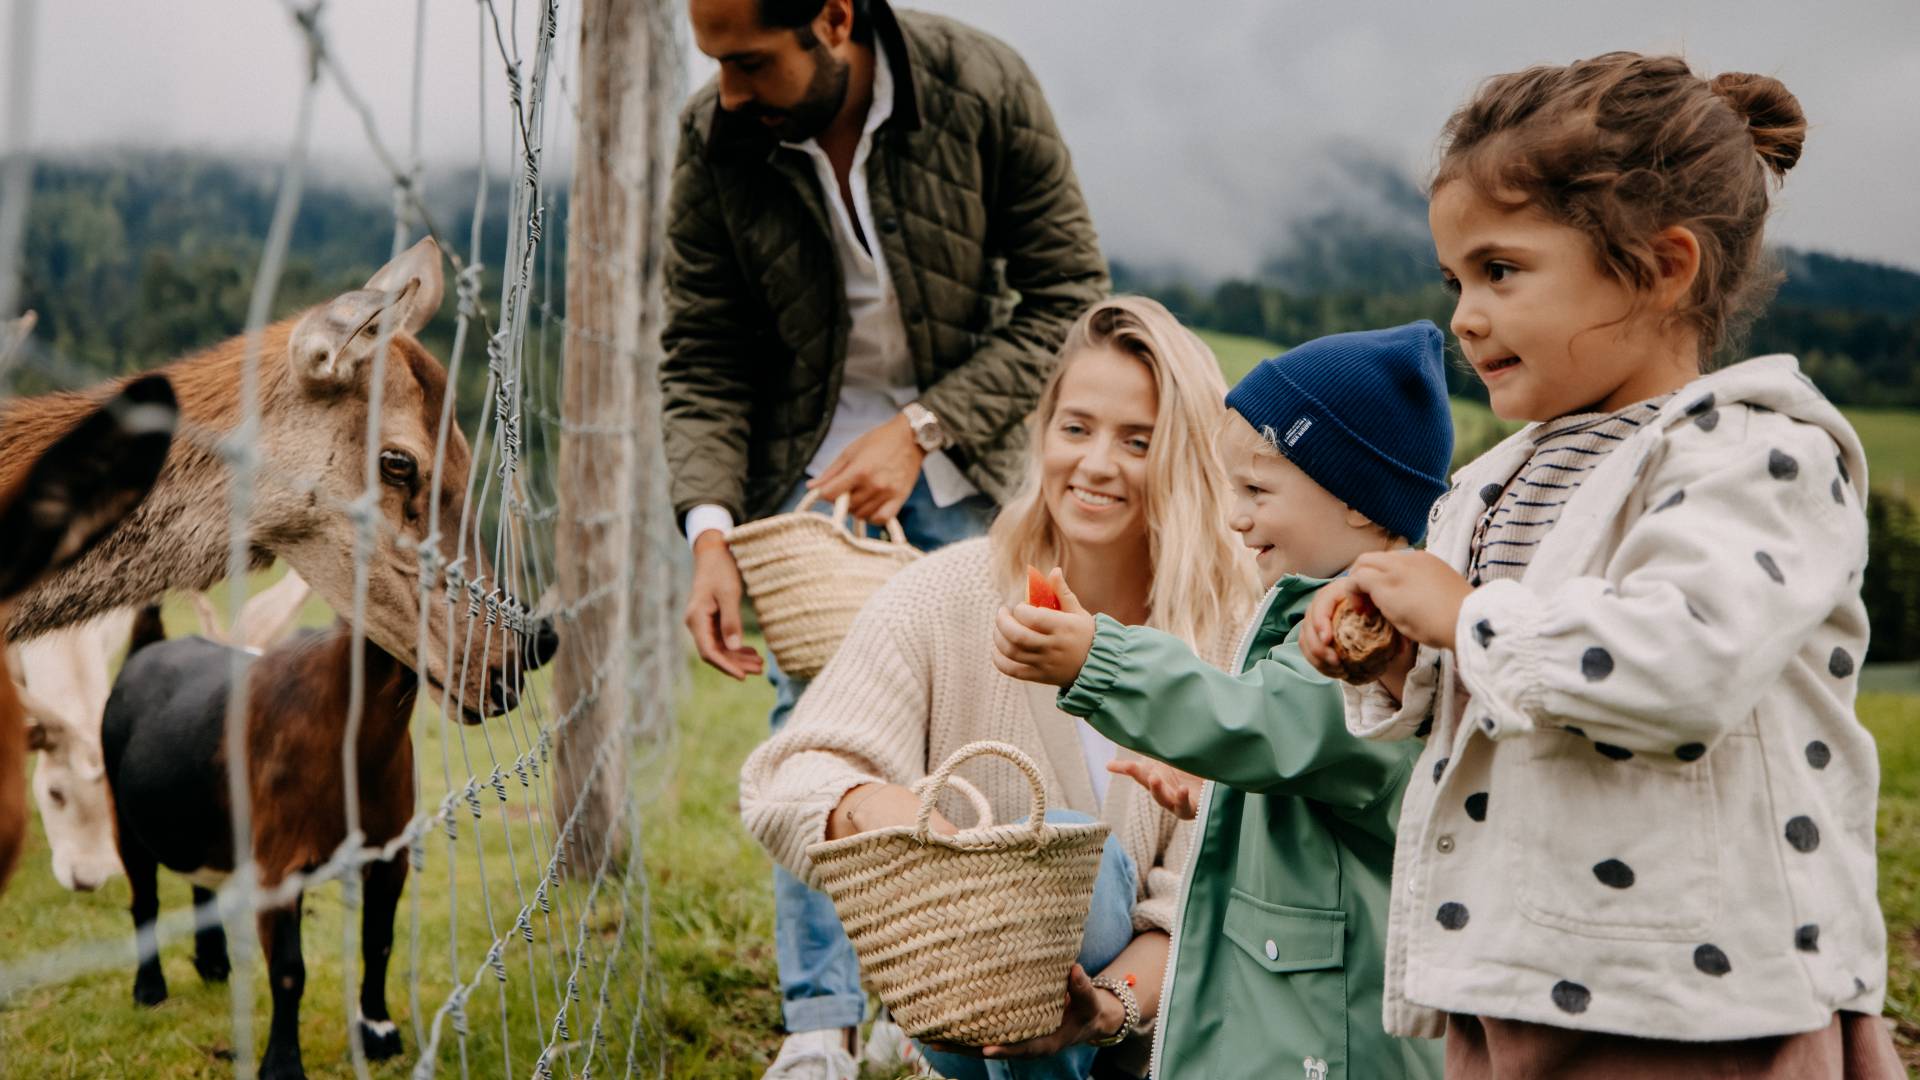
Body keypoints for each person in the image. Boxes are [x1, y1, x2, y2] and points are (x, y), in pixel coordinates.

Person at [1299, 53, 1902, 1079]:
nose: (1465, 316)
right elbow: (1494, 685)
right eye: (1455, 280)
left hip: (1691, 995)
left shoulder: (1754, 455)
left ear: (1666, 269)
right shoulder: (1492, 481)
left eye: (1501, 270)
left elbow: (1681, 667)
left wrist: (1466, 615)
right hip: (1511, 958)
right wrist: (1396, 660)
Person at [663, 0, 1106, 1071]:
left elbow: (1067, 296)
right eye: (712, 60)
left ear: (834, 18)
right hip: (801, 492)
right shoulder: (716, 136)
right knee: (821, 738)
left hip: (972, 465)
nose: (724, 91)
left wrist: (923, 428)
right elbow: (703, 352)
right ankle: (822, 1026)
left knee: (994, 714)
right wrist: (711, 531)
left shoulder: (983, 85)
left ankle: (946, 997)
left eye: (749, 61)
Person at [739, 296, 1260, 1079]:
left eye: (1137, 440)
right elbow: (785, 779)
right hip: (965, 1017)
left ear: (1184, 456)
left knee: (1064, 860)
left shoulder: (1231, 632)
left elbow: (1201, 896)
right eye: (1075, 427)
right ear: (1041, 431)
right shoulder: (945, 594)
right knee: (1023, 873)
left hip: (1148, 1026)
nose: (1094, 463)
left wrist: (1100, 1014)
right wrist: (897, 814)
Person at [995, 322, 1453, 1079]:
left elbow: (1269, 723)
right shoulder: (1309, 609)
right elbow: (1301, 770)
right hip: (1291, 1018)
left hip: (1332, 1041)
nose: (1235, 516)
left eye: (1258, 490)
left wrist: (1097, 659)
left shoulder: (1378, 634)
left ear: (1362, 505)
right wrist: (1221, 797)